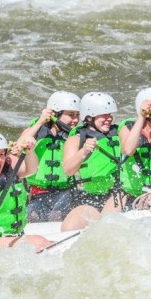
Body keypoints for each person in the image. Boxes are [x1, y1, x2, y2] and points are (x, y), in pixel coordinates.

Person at [61, 92, 123, 231]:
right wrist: (84, 151)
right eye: (104, 115)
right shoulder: (76, 140)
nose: (109, 119)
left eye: (110, 115)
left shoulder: (119, 133)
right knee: (68, 228)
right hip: (89, 197)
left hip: (118, 193)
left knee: (109, 224)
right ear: (89, 117)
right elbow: (68, 170)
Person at [18, 91, 81, 223]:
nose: (75, 120)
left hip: (65, 192)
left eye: (77, 115)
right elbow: (19, 146)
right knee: (32, 218)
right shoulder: (36, 130)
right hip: (37, 193)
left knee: (56, 217)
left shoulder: (76, 135)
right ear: (55, 114)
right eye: (70, 115)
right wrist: (40, 122)